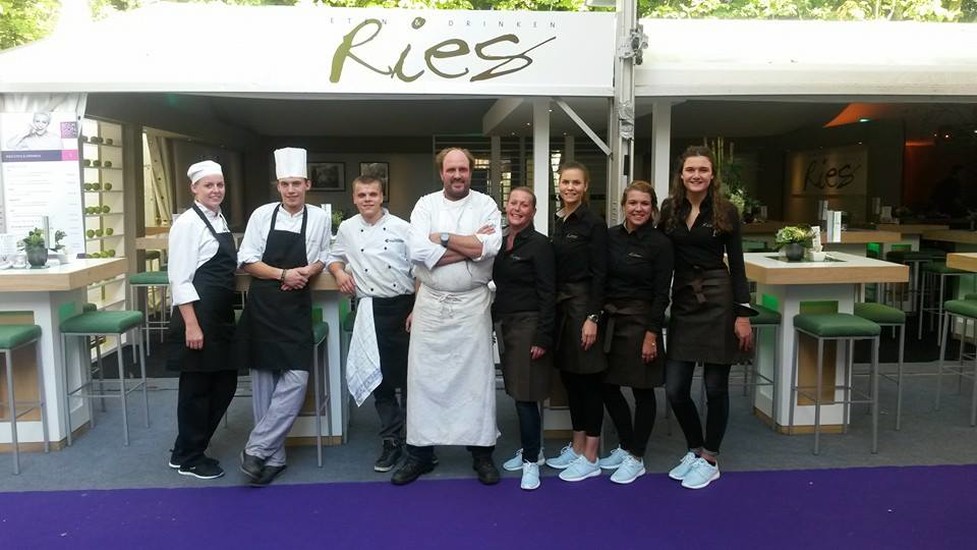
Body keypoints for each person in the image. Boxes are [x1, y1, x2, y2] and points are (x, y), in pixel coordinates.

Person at [390, 147, 503, 486]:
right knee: (423, 380)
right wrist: (468, 248)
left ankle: (482, 453)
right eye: (451, 169)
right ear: (441, 173)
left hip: (472, 305)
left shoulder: (486, 204)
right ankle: (420, 454)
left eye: (462, 169)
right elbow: (417, 251)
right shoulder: (426, 205)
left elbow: (490, 248)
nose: (457, 175)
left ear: (471, 171)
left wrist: (441, 240)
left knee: (477, 381)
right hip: (431, 304)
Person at [658, 145, 754, 490]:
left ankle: (710, 458)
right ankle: (695, 448)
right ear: (681, 174)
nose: (696, 175)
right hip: (684, 299)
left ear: (712, 175)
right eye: (690, 169)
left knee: (715, 387)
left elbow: (738, 266)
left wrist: (742, 314)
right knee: (675, 388)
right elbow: (660, 255)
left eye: (703, 169)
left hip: (718, 298)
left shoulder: (726, 210)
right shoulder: (669, 208)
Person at [237, 147, 331, 487]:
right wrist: (283, 274)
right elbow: (247, 259)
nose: (291, 190)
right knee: (264, 383)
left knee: (296, 378)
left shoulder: (319, 218)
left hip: (296, 307)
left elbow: (324, 255)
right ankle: (272, 459)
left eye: (296, 183)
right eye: (285, 184)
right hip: (264, 305)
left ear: (307, 184)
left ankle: (256, 447)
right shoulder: (262, 215)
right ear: (278, 186)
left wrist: (309, 270)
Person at [327, 175, 414, 473]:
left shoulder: (403, 227)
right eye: (362, 195)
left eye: (373, 194)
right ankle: (391, 440)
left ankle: (416, 442)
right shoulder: (348, 228)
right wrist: (340, 273)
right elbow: (333, 257)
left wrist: (417, 308)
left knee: (411, 380)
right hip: (370, 310)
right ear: (354, 198)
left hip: (404, 308)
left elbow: (420, 269)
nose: (367, 199)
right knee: (381, 380)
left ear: (382, 196)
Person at [165, 160, 238, 480]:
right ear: (194, 188)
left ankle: (185, 448)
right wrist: (192, 325)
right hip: (197, 315)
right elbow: (179, 278)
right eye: (208, 185)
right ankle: (191, 457)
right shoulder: (187, 224)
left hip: (219, 314)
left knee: (224, 382)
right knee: (197, 389)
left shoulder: (218, 218)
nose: (215, 190)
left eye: (219, 184)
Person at [597, 181, 673, 484]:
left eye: (644, 204)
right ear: (623, 206)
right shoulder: (609, 237)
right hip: (612, 321)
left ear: (652, 208)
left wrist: (652, 334)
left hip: (643, 322)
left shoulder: (661, 244)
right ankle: (626, 444)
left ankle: (637, 456)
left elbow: (661, 295)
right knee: (606, 385)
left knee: (642, 390)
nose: (638, 209)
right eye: (633, 203)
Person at [545, 160, 609, 482]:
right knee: (571, 380)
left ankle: (591, 455)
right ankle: (577, 444)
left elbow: (601, 275)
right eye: (565, 182)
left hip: (584, 308)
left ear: (585, 187)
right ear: (559, 185)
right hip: (564, 310)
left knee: (589, 383)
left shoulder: (593, 224)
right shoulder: (561, 221)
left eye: (576, 183)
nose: (570, 187)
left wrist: (592, 317)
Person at [493, 187, 556, 491]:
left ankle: (532, 461)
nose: (517, 208)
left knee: (526, 396)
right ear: (506, 206)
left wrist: (543, 336)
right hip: (506, 324)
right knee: (518, 392)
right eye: (513, 203)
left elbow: (548, 293)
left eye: (524, 205)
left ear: (533, 211)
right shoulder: (501, 241)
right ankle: (535, 450)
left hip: (529, 325)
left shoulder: (540, 245)